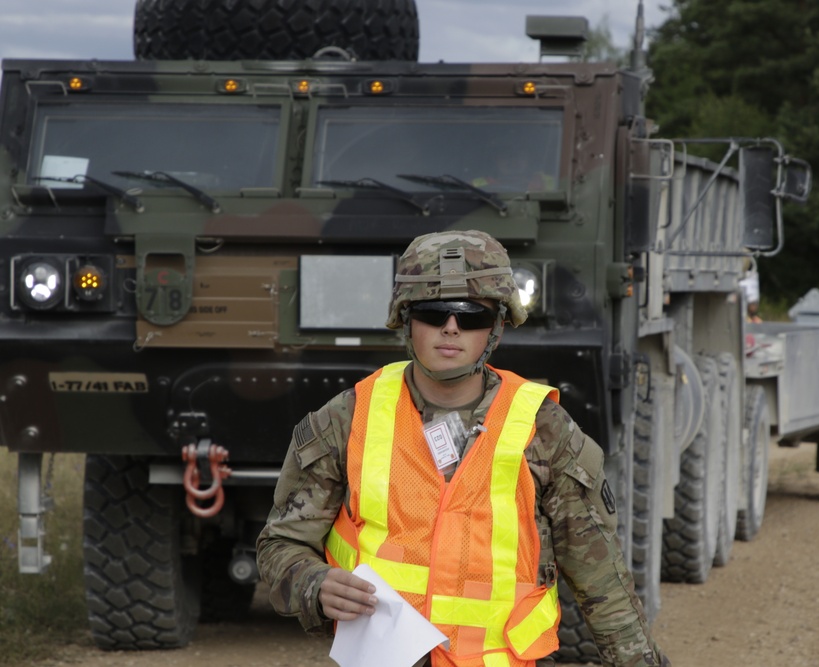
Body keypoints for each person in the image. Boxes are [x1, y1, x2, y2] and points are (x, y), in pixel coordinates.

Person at [256, 229, 669, 667]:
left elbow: (599, 575)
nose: (451, 327)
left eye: (472, 316)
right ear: (406, 319)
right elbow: (280, 544)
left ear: (497, 327)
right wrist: (314, 584)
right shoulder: (348, 417)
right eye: (433, 313)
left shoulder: (542, 429)